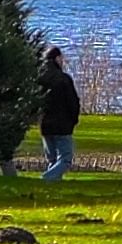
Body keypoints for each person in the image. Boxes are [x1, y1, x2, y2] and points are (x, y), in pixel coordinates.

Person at [36, 45, 80, 181]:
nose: (62, 61)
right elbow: (73, 102)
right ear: (56, 59)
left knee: (52, 160)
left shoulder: (39, 79)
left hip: (45, 125)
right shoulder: (64, 79)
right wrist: (74, 119)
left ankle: (53, 187)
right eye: (61, 58)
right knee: (65, 160)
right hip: (62, 125)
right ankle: (45, 179)